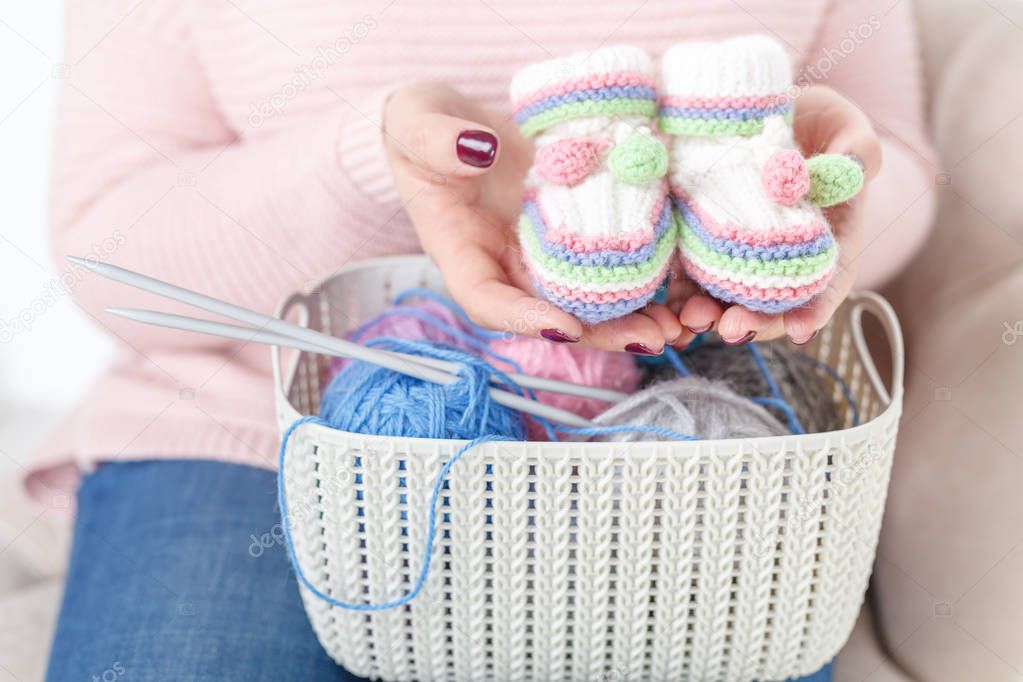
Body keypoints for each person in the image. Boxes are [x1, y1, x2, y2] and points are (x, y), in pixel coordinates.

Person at [34, 1, 935, 679]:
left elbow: (893, 169)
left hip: (688, 459)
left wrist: (809, 173)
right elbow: (109, 259)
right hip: (259, 439)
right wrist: (375, 162)